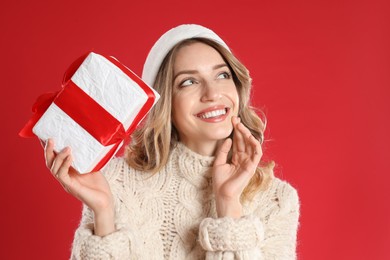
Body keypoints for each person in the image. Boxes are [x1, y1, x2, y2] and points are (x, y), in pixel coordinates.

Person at [44, 24, 300, 259]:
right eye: (188, 82)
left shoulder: (277, 199)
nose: (212, 94)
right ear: (166, 103)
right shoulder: (115, 182)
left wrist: (228, 203)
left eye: (222, 76)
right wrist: (103, 211)